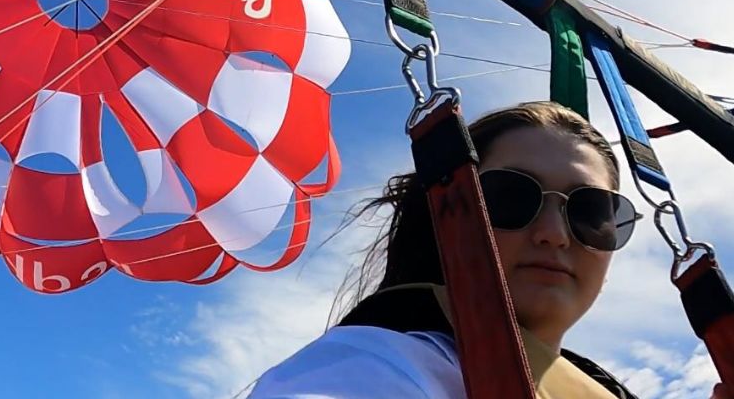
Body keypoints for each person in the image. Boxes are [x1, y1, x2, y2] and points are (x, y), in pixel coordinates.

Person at [248, 101, 731, 398]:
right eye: (511, 197)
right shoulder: (387, 361)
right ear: (452, 214)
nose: (554, 234)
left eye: (591, 212)